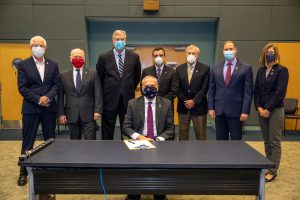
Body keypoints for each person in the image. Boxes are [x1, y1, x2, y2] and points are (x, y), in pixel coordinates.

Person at [17, 36, 60, 186]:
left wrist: (47, 97)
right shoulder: (23, 65)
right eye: (35, 45)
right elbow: (22, 88)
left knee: (50, 140)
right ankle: (23, 172)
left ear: (45, 47)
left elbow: (56, 85)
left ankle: (49, 170)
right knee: (28, 141)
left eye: (41, 45)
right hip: (31, 108)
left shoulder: (53, 65)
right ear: (30, 47)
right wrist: (38, 98)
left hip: (49, 108)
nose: (38, 47)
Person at [123, 75, 175, 200]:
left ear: (158, 87)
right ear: (141, 88)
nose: (150, 88)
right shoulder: (133, 103)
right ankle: (134, 193)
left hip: (159, 141)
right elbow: (126, 127)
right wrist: (140, 137)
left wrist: (157, 140)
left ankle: (159, 194)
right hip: (139, 141)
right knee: (135, 167)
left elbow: (170, 128)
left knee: (160, 166)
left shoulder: (166, 103)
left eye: (153, 86)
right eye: (147, 86)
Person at [96, 30, 141, 140]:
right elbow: (99, 78)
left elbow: (136, 77)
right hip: (109, 99)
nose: (119, 41)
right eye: (117, 39)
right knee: (107, 130)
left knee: (127, 129)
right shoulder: (103, 57)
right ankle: (106, 153)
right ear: (113, 41)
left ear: (125, 41)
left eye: (122, 39)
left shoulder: (134, 57)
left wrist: (127, 88)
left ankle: (127, 153)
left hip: (127, 99)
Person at [254, 43, 289, 182]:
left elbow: (280, 93)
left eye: (272, 52)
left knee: (274, 141)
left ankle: (273, 170)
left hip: (275, 110)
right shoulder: (261, 71)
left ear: (276, 54)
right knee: (266, 141)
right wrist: (259, 108)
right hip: (261, 111)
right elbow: (256, 91)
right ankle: (267, 165)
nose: (270, 54)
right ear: (264, 54)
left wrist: (268, 108)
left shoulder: (282, 70)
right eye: (267, 52)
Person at [208, 40, 253, 140]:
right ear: (223, 51)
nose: (228, 51)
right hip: (219, 111)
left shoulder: (246, 68)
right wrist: (211, 107)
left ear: (235, 50)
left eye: (231, 49)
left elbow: (248, 92)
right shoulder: (215, 68)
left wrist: (245, 111)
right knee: (220, 141)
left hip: (237, 111)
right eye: (226, 49)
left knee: (236, 142)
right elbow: (211, 89)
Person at [58, 48, 103, 140]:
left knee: (90, 143)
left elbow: (98, 93)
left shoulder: (93, 73)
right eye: (75, 56)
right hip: (71, 114)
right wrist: (61, 113)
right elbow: (60, 96)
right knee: (74, 143)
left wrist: (98, 110)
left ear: (84, 58)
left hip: (89, 114)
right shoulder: (63, 75)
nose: (78, 58)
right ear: (70, 58)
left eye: (80, 56)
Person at [176, 45, 210, 140]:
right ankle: (182, 154)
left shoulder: (205, 68)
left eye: (193, 53)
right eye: (189, 53)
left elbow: (204, 88)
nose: (191, 55)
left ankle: (202, 154)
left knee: (201, 135)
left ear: (197, 55)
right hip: (183, 106)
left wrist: (194, 101)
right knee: (182, 134)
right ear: (185, 54)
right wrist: (186, 101)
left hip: (199, 106)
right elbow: (177, 87)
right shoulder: (179, 68)